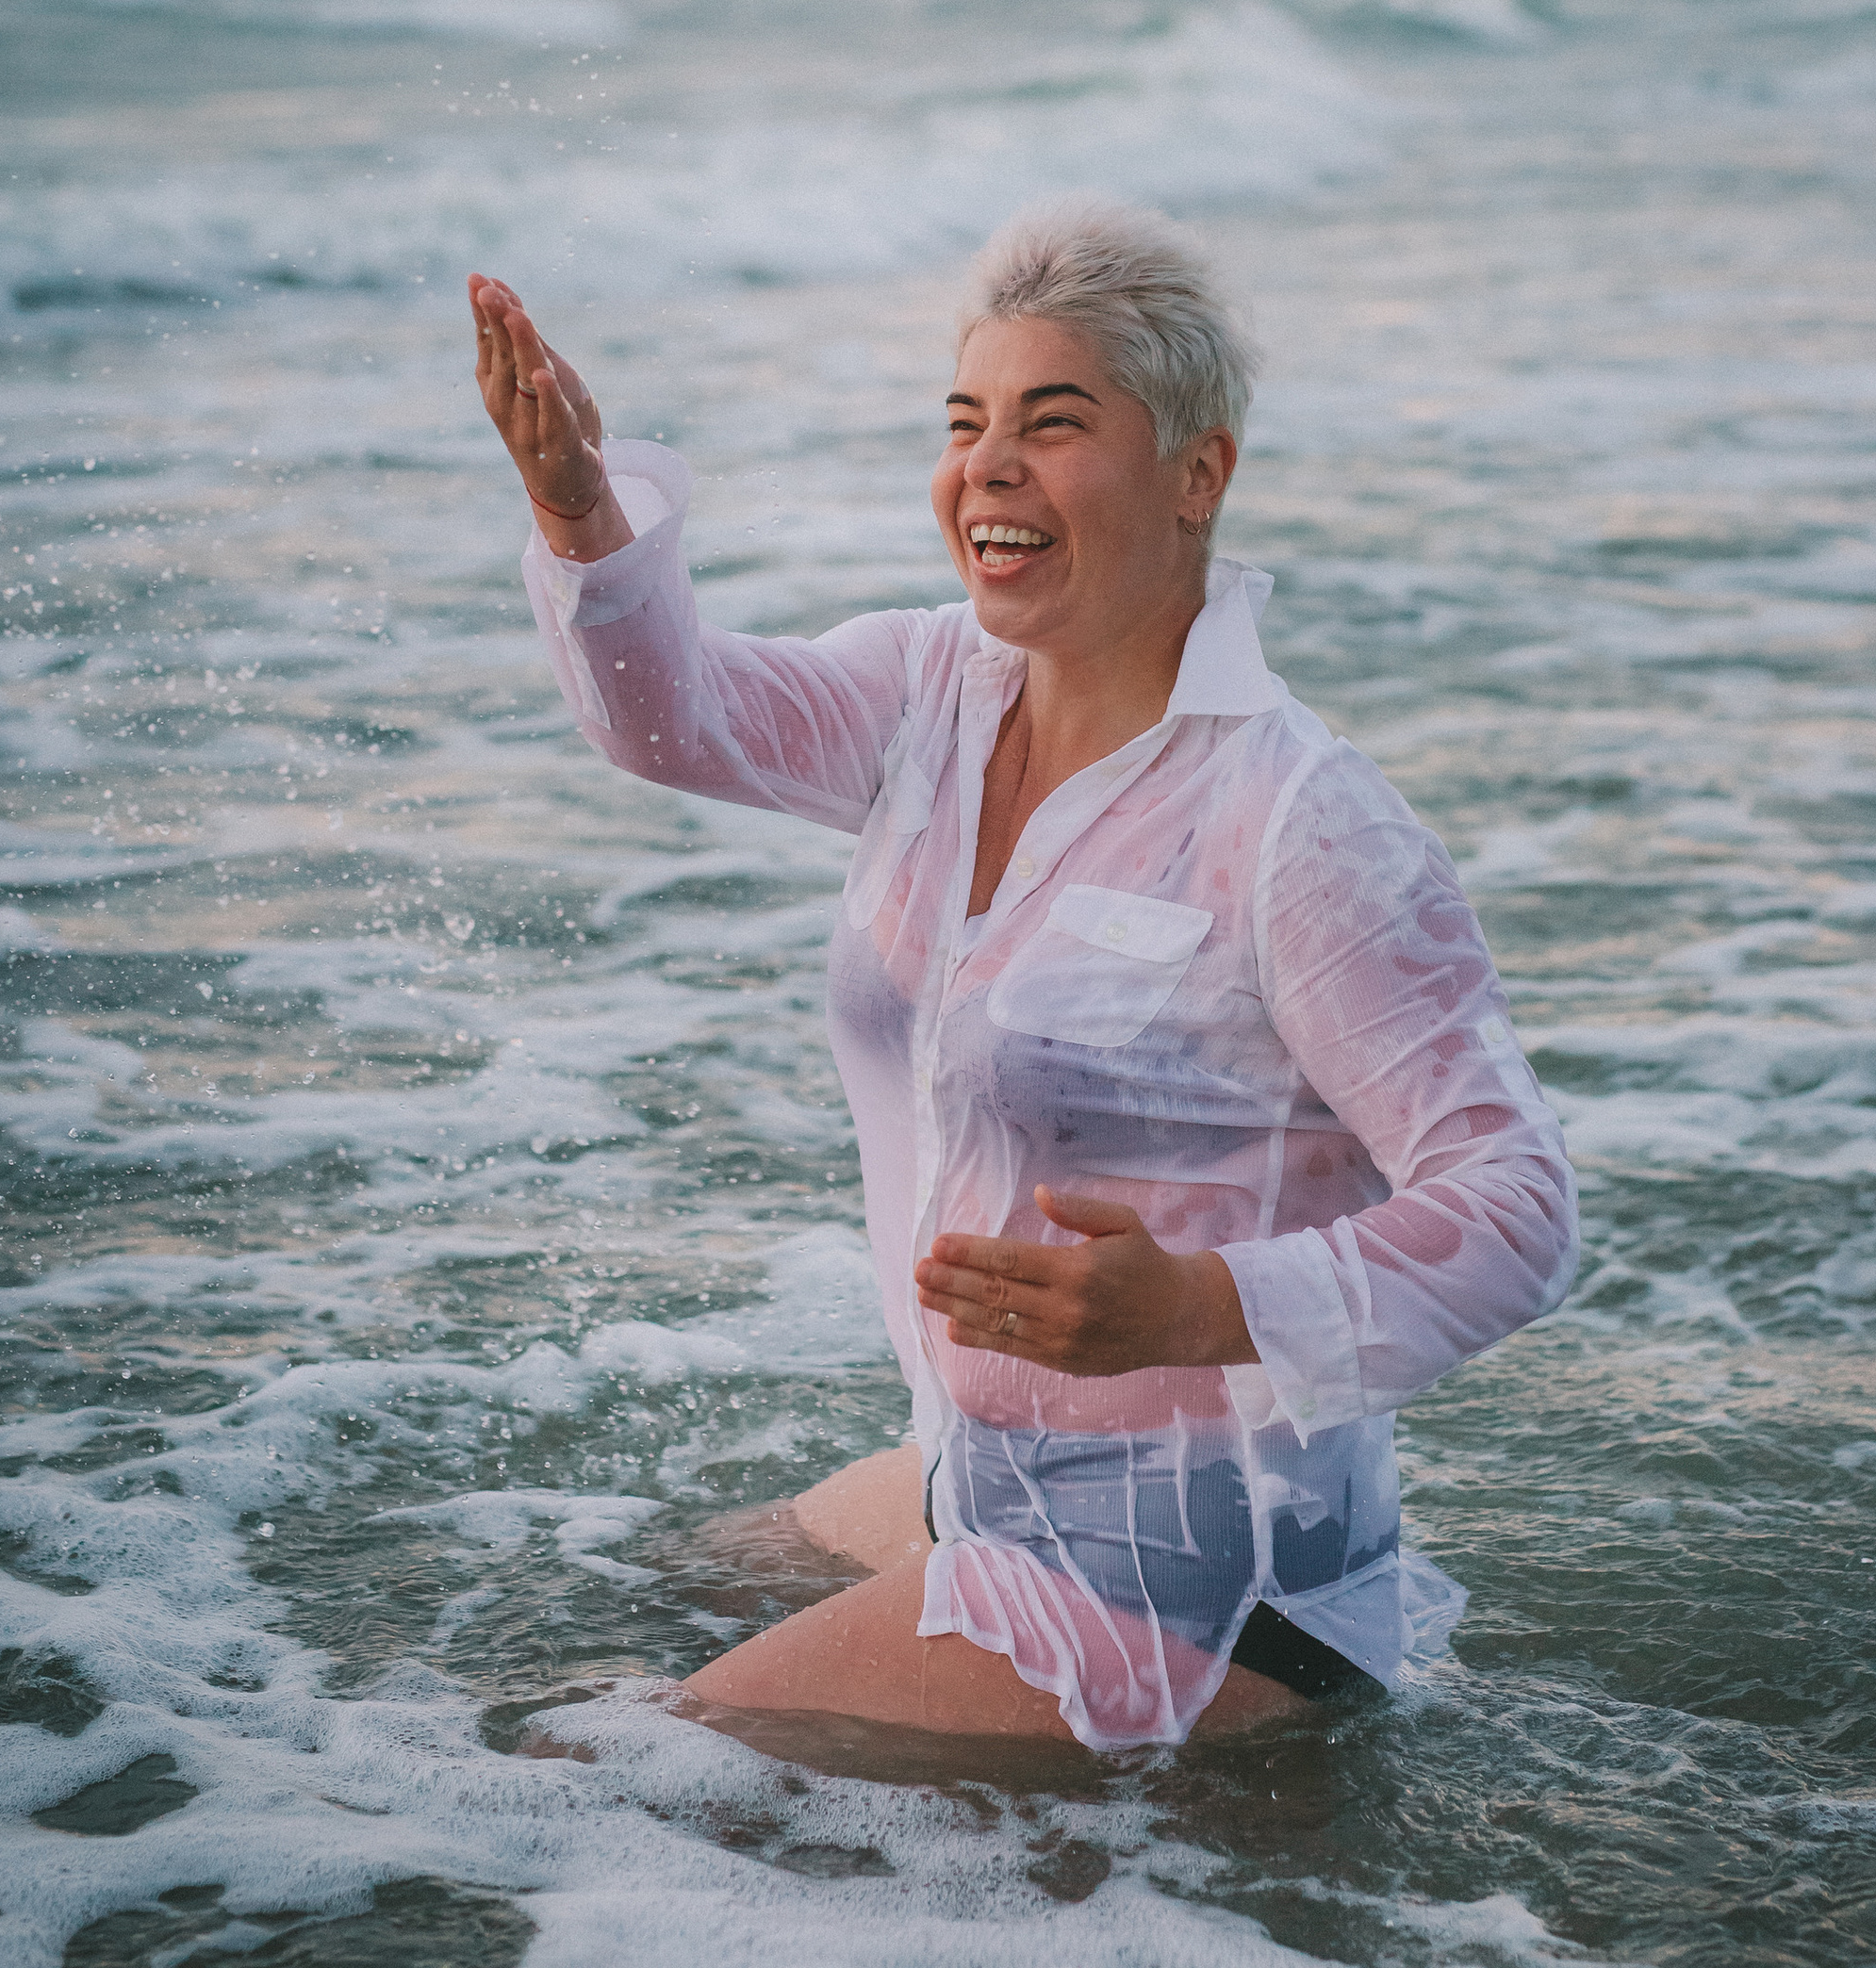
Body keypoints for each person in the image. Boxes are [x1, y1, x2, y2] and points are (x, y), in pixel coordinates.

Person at [469, 200, 1576, 1753]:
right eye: (966, 422)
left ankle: (1257, 1760)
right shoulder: (932, 691)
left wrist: (1201, 1305)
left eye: (1054, 426)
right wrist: (583, 512)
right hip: (977, 1467)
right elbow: (682, 719)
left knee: (597, 1765)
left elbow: (1518, 1210)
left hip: (1198, 1567)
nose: (988, 464)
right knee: (671, 1577)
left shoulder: (1299, 823)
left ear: (1199, 474)